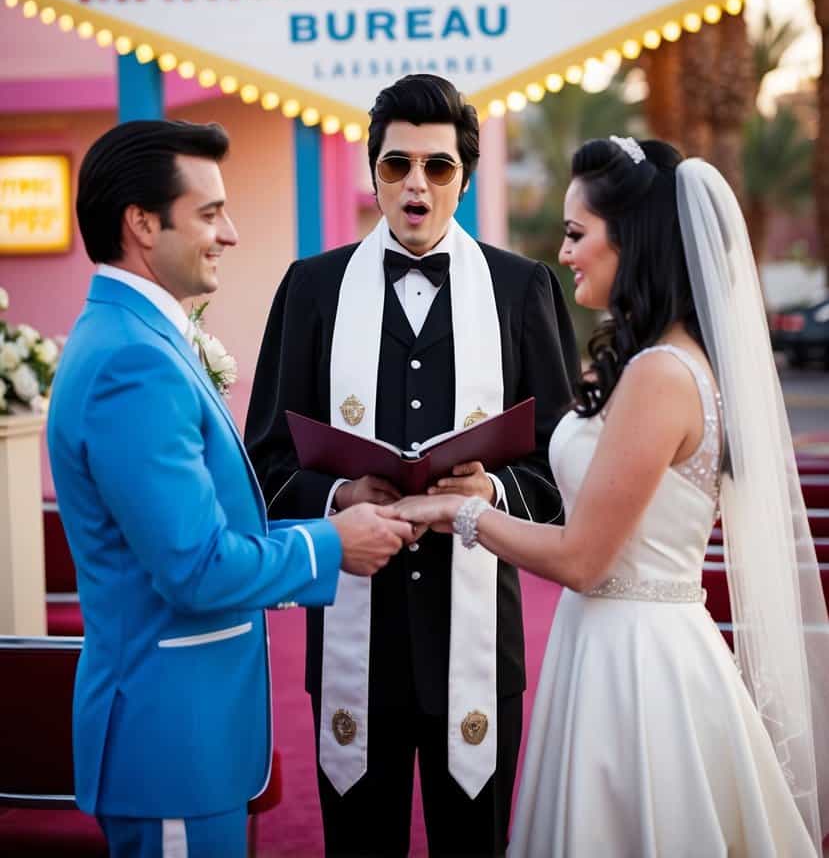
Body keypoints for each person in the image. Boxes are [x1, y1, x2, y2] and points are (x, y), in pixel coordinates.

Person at [397, 136, 829, 857]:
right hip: (607, 639)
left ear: (629, 240)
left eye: (576, 234)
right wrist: (485, 488)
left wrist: (457, 511)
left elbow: (583, 558)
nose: (563, 253)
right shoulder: (660, 359)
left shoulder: (661, 373)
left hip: (638, 663)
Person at [47, 119, 412, 858]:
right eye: (210, 213)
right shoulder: (132, 363)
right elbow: (195, 568)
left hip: (188, 735)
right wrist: (330, 545)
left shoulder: (139, 339)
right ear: (143, 225)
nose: (231, 233)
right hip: (169, 739)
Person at [245, 75, 579, 858]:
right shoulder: (311, 289)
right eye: (396, 166)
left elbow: (562, 467)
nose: (416, 186)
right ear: (373, 174)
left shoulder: (520, 288)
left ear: (464, 175)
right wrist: (336, 493)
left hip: (475, 647)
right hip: (354, 647)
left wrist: (491, 489)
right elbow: (265, 460)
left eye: (437, 166)